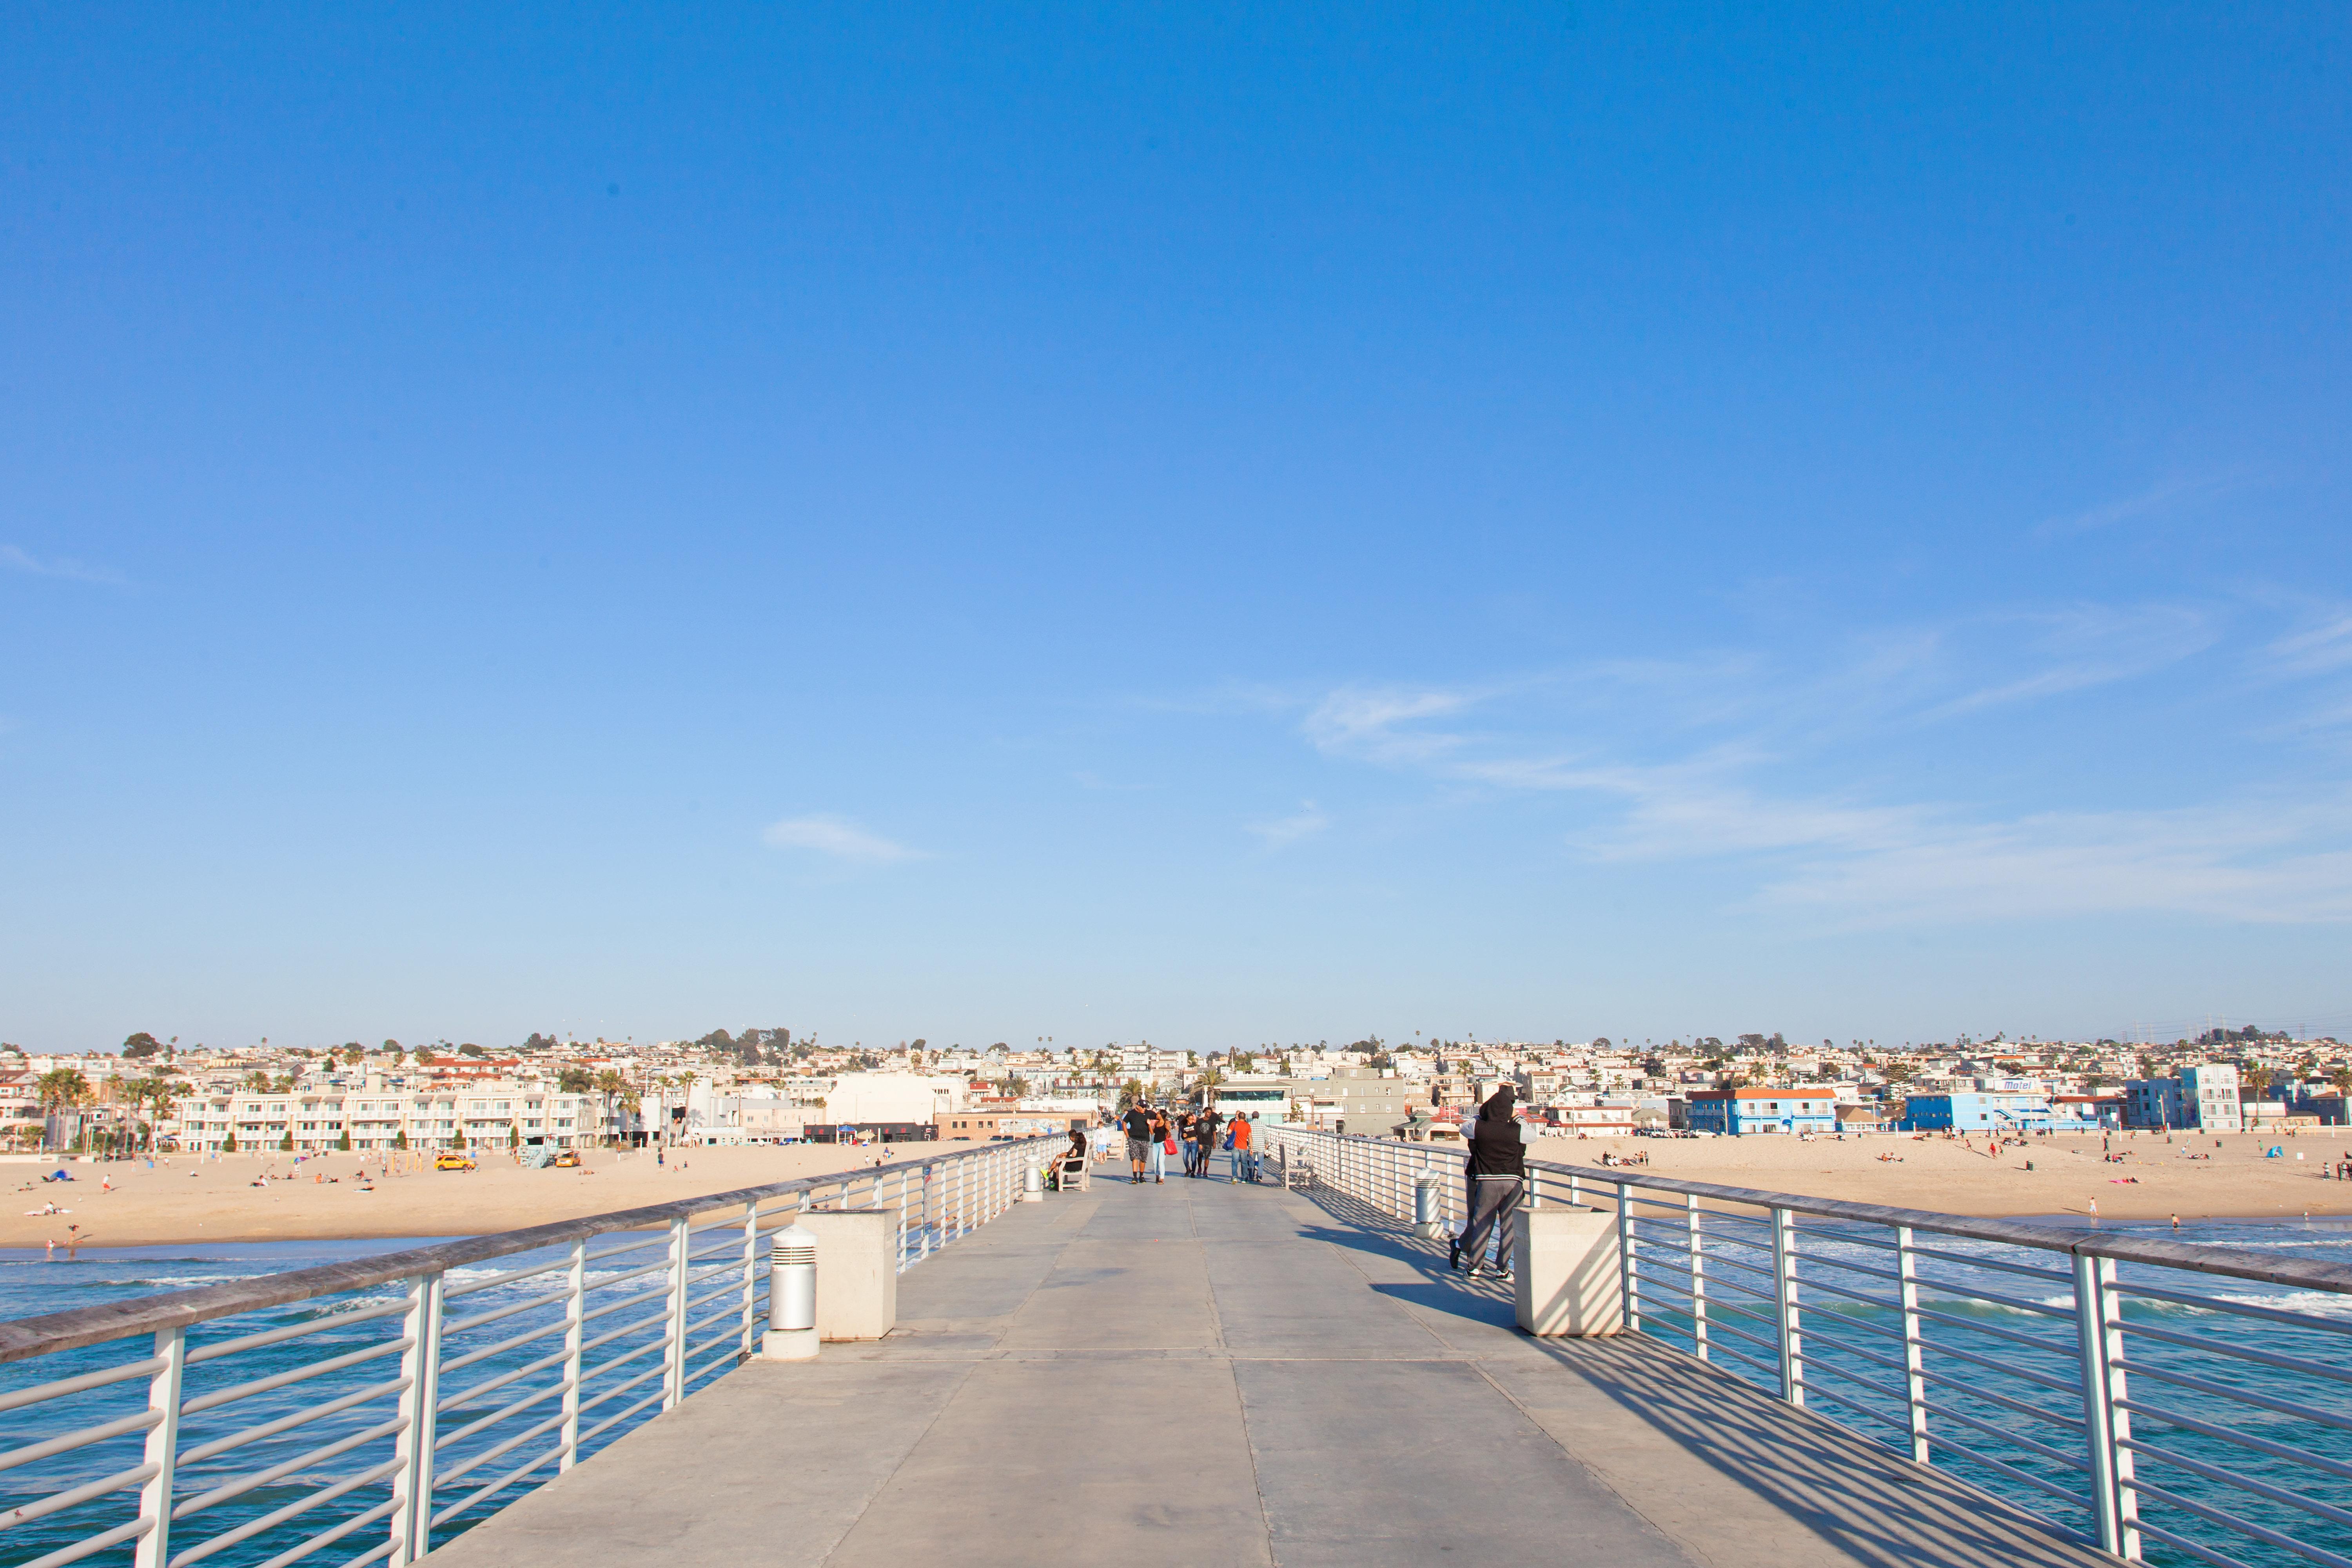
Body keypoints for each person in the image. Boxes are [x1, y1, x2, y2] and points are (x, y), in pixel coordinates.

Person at [1452, 1087, 1525, 1279]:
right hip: (1510, 1179)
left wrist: (1480, 1117)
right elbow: (1529, 1138)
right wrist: (1518, 1118)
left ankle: (1473, 1263)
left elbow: (1467, 1132)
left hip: (1483, 1177)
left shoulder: (1480, 1128)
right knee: (1508, 1225)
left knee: (1480, 1221)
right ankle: (1502, 1268)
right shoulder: (1515, 1130)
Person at [1122, 1102, 1154, 1184]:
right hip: (1133, 1139)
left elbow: (1160, 1117)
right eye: (1142, 1107)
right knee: (1135, 1157)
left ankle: (1142, 1176)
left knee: (1143, 1158)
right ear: (1138, 1107)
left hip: (1145, 1139)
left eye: (1145, 1107)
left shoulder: (1148, 1113)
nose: (1144, 1109)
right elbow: (1124, 1123)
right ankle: (1135, 1176)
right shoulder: (1131, 1114)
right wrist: (1127, 1136)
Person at [1193, 1107, 1219, 1178]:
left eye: (1210, 1113)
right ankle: (1200, 1168)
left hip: (1209, 1142)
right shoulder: (1199, 1121)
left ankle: (1205, 1170)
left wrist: (1214, 1143)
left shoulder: (1212, 1122)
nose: (1209, 1114)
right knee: (1200, 1156)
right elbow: (1196, 1132)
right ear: (1205, 1112)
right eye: (1208, 1112)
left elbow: (1214, 1133)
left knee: (1207, 1157)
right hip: (1201, 1142)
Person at [1148, 1107, 1172, 1184]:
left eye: (1158, 1113)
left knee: (1161, 1162)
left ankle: (1162, 1179)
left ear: (1162, 1115)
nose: (1157, 1115)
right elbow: (1152, 1133)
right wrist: (1149, 1126)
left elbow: (1168, 1136)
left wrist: (1168, 1130)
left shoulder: (1166, 1123)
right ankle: (1157, 1175)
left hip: (1163, 1144)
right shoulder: (1156, 1123)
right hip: (1155, 1144)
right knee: (1155, 1163)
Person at [1229, 1110, 1253, 1182]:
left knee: (1235, 1162)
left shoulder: (1234, 1124)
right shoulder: (1247, 1126)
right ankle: (1244, 1178)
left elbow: (1228, 1132)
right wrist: (1251, 1148)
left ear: (1238, 1117)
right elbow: (1250, 1137)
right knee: (1244, 1163)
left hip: (1235, 1146)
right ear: (1245, 1118)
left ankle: (1235, 1177)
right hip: (1244, 1146)